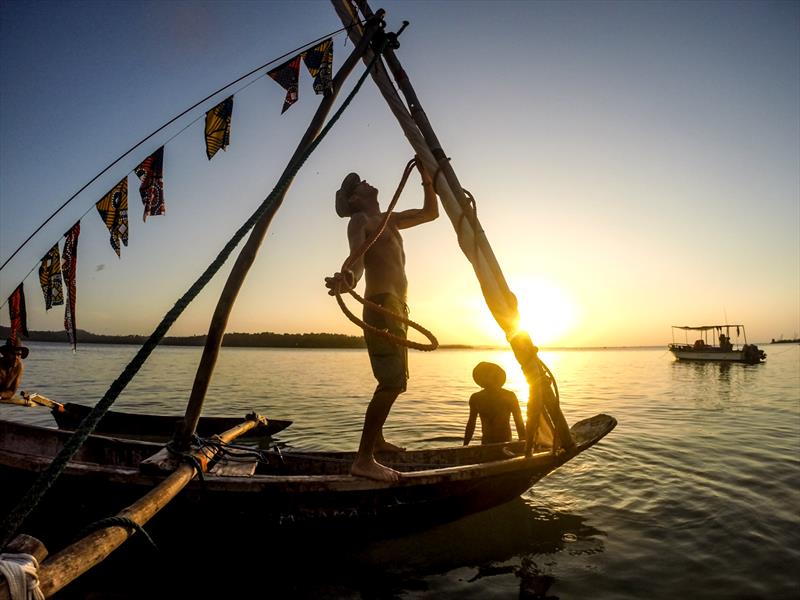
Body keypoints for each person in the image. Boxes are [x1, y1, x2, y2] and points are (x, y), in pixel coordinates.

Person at [325, 161, 438, 482]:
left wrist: (427, 179)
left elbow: (431, 213)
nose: (366, 182)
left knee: (397, 381)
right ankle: (364, 459)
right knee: (392, 383)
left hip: (398, 306)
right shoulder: (361, 220)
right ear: (354, 200)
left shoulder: (391, 219)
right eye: (359, 184)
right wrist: (347, 278)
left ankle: (376, 441)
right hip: (380, 305)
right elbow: (357, 262)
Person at [463, 361, 525, 446]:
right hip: (486, 444)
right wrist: (465, 446)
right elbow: (471, 424)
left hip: (505, 444)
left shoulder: (509, 396)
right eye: (484, 376)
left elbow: (519, 422)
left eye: (490, 376)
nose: (488, 379)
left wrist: (524, 443)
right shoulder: (476, 398)